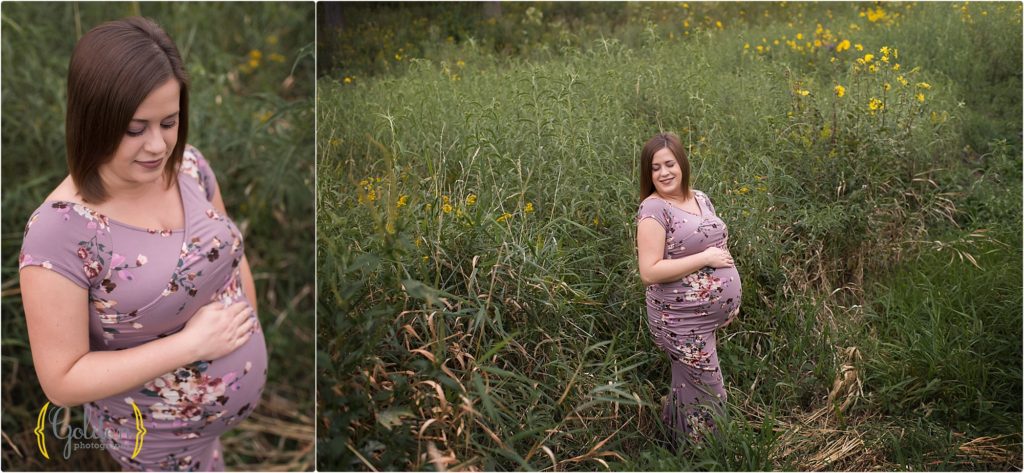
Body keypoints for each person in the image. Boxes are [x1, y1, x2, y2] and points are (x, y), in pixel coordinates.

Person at [18, 17, 267, 471]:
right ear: (94, 119)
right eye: (136, 129)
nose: (158, 145)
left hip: (207, 437)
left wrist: (246, 327)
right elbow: (61, 380)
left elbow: (231, 254)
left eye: (169, 122)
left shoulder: (189, 167)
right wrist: (191, 346)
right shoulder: (62, 232)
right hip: (152, 448)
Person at [634, 132, 741, 447]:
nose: (664, 173)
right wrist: (706, 259)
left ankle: (672, 443)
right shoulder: (653, 210)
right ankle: (708, 456)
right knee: (710, 391)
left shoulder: (700, 197)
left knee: (688, 386)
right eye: (655, 168)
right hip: (679, 321)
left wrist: (724, 305)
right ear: (648, 173)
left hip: (701, 319)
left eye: (670, 164)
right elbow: (649, 271)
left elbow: (717, 242)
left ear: (682, 163)